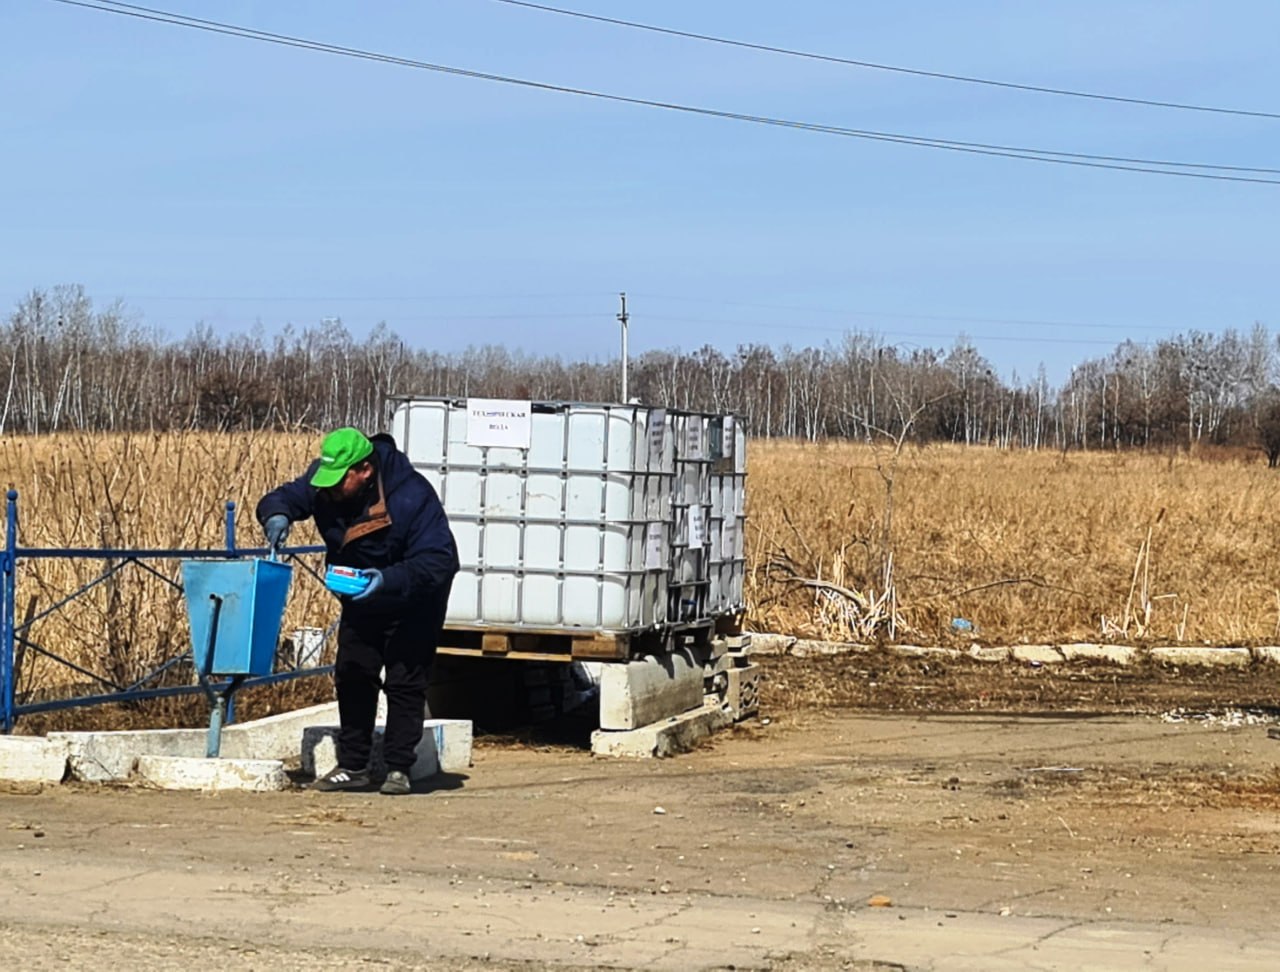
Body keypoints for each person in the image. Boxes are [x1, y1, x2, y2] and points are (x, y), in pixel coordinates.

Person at [256, 427, 458, 795]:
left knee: (405, 680)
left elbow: (439, 560)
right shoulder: (327, 479)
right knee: (353, 672)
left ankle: (399, 767)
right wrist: (277, 514)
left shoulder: (412, 496)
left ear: (364, 471)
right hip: (360, 596)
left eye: (338, 481)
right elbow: (288, 495)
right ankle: (353, 765)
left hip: (413, 596)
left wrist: (386, 580)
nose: (329, 488)